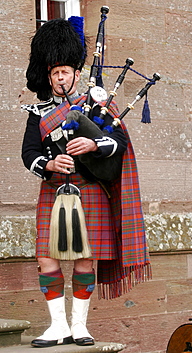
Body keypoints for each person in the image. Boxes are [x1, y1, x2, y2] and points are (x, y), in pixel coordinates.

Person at [21, 18, 151, 348]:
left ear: (77, 73)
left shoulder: (98, 106)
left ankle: (79, 326)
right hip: (53, 191)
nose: (60, 77)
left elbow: (119, 142)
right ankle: (57, 326)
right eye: (54, 72)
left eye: (65, 71)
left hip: (89, 190)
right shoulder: (38, 113)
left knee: (84, 259)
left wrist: (94, 144)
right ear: (48, 76)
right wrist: (49, 164)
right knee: (45, 259)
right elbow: (29, 154)